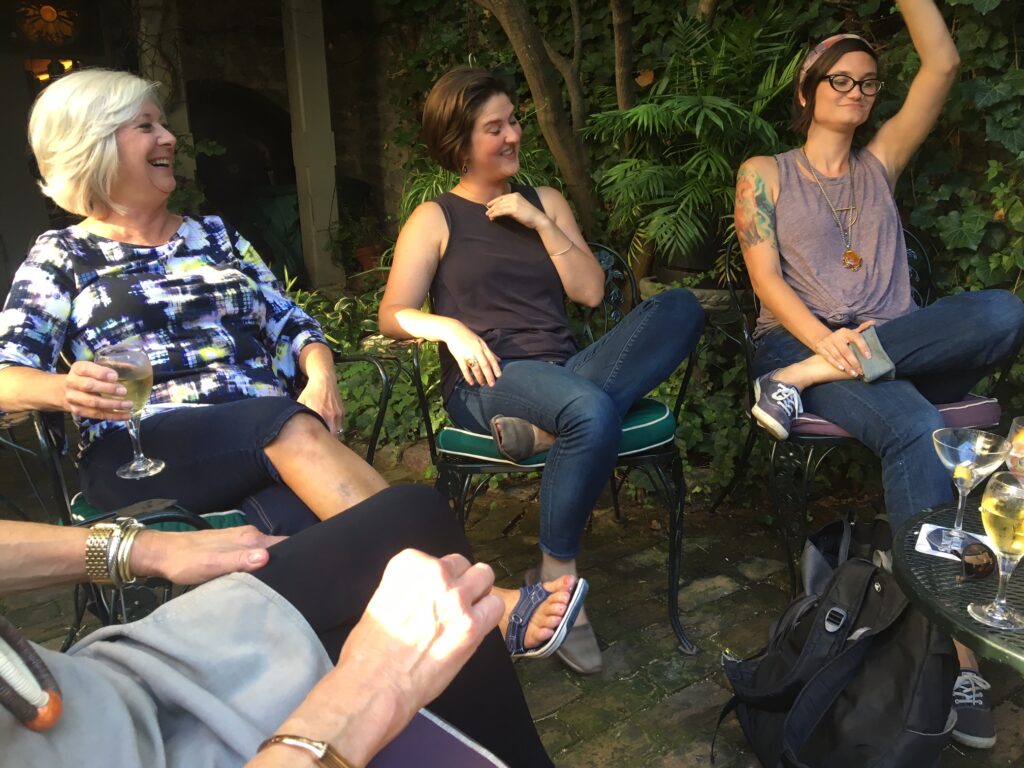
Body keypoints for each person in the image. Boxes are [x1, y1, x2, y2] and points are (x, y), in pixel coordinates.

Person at [734, 0, 1024, 749]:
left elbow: (944, 63)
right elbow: (767, 281)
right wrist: (822, 348)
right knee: (917, 432)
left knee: (1000, 312)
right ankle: (952, 661)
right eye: (841, 80)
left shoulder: (882, 159)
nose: (858, 92)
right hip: (803, 340)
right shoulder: (765, 174)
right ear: (807, 90)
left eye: (868, 82)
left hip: (892, 348)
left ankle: (796, 376)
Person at [379, 67, 704, 675]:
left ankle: (553, 511)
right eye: (492, 128)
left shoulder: (546, 200)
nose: (512, 136)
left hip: (564, 371)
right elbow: (393, 314)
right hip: (489, 380)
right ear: (459, 142)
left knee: (680, 307)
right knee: (590, 408)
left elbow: (587, 292)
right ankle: (560, 581)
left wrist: (542, 223)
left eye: (514, 121)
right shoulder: (436, 217)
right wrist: (447, 327)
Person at [0, 68, 388, 534]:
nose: (168, 137)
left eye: (162, 124)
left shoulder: (217, 236)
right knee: (288, 431)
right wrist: (66, 391)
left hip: (263, 438)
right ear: (92, 145)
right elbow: (6, 376)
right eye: (146, 126)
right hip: (144, 449)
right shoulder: (63, 255)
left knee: (292, 530)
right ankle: (461, 586)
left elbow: (290, 323)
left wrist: (322, 376)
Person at [0, 484, 583, 767]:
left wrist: (143, 549)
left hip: (111, 683)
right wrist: (369, 690)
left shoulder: (215, 242)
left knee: (411, 519)